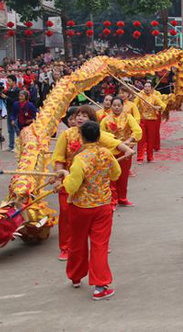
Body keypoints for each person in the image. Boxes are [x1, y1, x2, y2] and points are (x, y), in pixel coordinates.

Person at [52, 106, 133, 261]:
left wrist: (126, 149)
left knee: (95, 216)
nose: (80, 118)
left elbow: (114, 142)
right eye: (78, 115)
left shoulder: (95, 134)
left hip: (91, 184)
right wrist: (58, 177)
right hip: (69, 181)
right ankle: (66, 247)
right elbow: (59, 158)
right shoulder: (66, 135)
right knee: (66, 215)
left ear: (91, 120)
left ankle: (99, 244)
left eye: (84, 115)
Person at [57, 121, 121, 300]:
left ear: (82, 137)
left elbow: (71, 186)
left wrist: (65, 175)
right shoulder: (107, 154)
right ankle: (100, 287)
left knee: (77, 242)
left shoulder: (80, 159)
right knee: (100, 246)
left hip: (80, 207)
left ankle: (76, 277)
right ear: (99, 136)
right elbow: (116, 174)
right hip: (102, 205)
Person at [100, 97, 142, 207]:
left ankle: (122, 198)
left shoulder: (128, 117)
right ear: (111, 106)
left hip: (126, 151)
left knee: (123, 176)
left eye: (119, 105)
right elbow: (101, 135)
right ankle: (112, 200)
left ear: (123, 106)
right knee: (112, 176)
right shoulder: (105, 120)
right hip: (110, 152)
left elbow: (137, 130)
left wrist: (129, 140)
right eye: (114, 105)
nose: (117, 107)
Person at [135, 81, 166, 163]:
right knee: (141, 140)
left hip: (152, 120)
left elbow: (163, 105)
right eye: (145, 86)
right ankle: (140, 158)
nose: (147, 88)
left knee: (150, 139)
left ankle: (150, 157)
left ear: (152, 88)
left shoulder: (155, 97)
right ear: (143, 88)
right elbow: (134, 105)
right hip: (142, 120)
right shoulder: (140, 96)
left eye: (149, 87)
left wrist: (158, 107)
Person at [4, 75, 20, 150]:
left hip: (15, 112)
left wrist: (6, 97)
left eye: (9, 81)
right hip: (9, 111)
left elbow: (15, 101)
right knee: (10, 129)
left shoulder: (18, 90)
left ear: (14, 82)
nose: (8, 82)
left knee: (17, 129)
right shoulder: (9, 90)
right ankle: (11, 145)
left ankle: (19, 146)